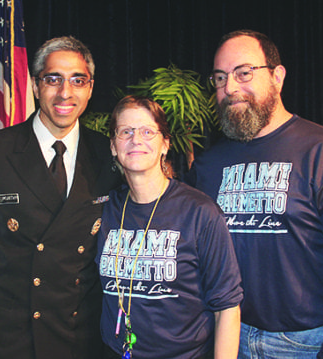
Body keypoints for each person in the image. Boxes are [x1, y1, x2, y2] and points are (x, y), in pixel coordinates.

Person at [186, 29, 323, 358]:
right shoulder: (208, 165)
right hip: (229, 337)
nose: (229, 88)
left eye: (244, 73)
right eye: (220, 78)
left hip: (309, 343)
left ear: (277, 77)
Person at [0, 36, 122, 358]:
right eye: (53, 79)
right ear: (34, 85)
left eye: (77, 80)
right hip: (11, 341)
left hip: (80, 340)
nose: (65, 93)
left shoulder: (110, 156)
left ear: (90, 87)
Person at [97, 95, 243, 359]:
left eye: (147, 131)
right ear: (112, 145)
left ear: (165, 144)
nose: (136, 140)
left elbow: (227, 308)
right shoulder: (106, 209)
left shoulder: (200, 212)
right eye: (125, 131)